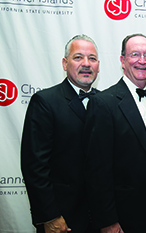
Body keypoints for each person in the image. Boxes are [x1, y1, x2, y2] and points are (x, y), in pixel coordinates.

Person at [83, 33, 146, 233]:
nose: (142, 60)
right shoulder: (104, 103)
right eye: (135, 54)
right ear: (123, 60)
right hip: (122, 220)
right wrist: (108, 222)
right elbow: (96, 172)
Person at [21, 35, 100, 233]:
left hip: (100, 219)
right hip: (62, 220)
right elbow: (35, 166)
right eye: (78, 57)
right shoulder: (45, 102)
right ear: (65, 64)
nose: (86, 64)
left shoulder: (105, 102)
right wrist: (50, 216)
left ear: (98, 65)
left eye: (92, 58)